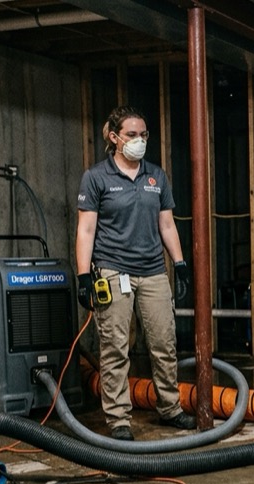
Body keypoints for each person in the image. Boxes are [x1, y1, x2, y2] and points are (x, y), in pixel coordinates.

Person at [75, 106, 195, 441]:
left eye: (143, 135)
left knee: (164, 343)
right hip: (113, 270)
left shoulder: (156, 176)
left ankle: (170, 408)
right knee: (115, 347)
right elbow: (85, 230)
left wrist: (180, 263)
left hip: (153, 270)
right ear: (114, 137)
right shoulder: (96, 178)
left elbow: (167, 223)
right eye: (131, 134)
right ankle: (118, 421)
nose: (139, 140)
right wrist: (84, 276)